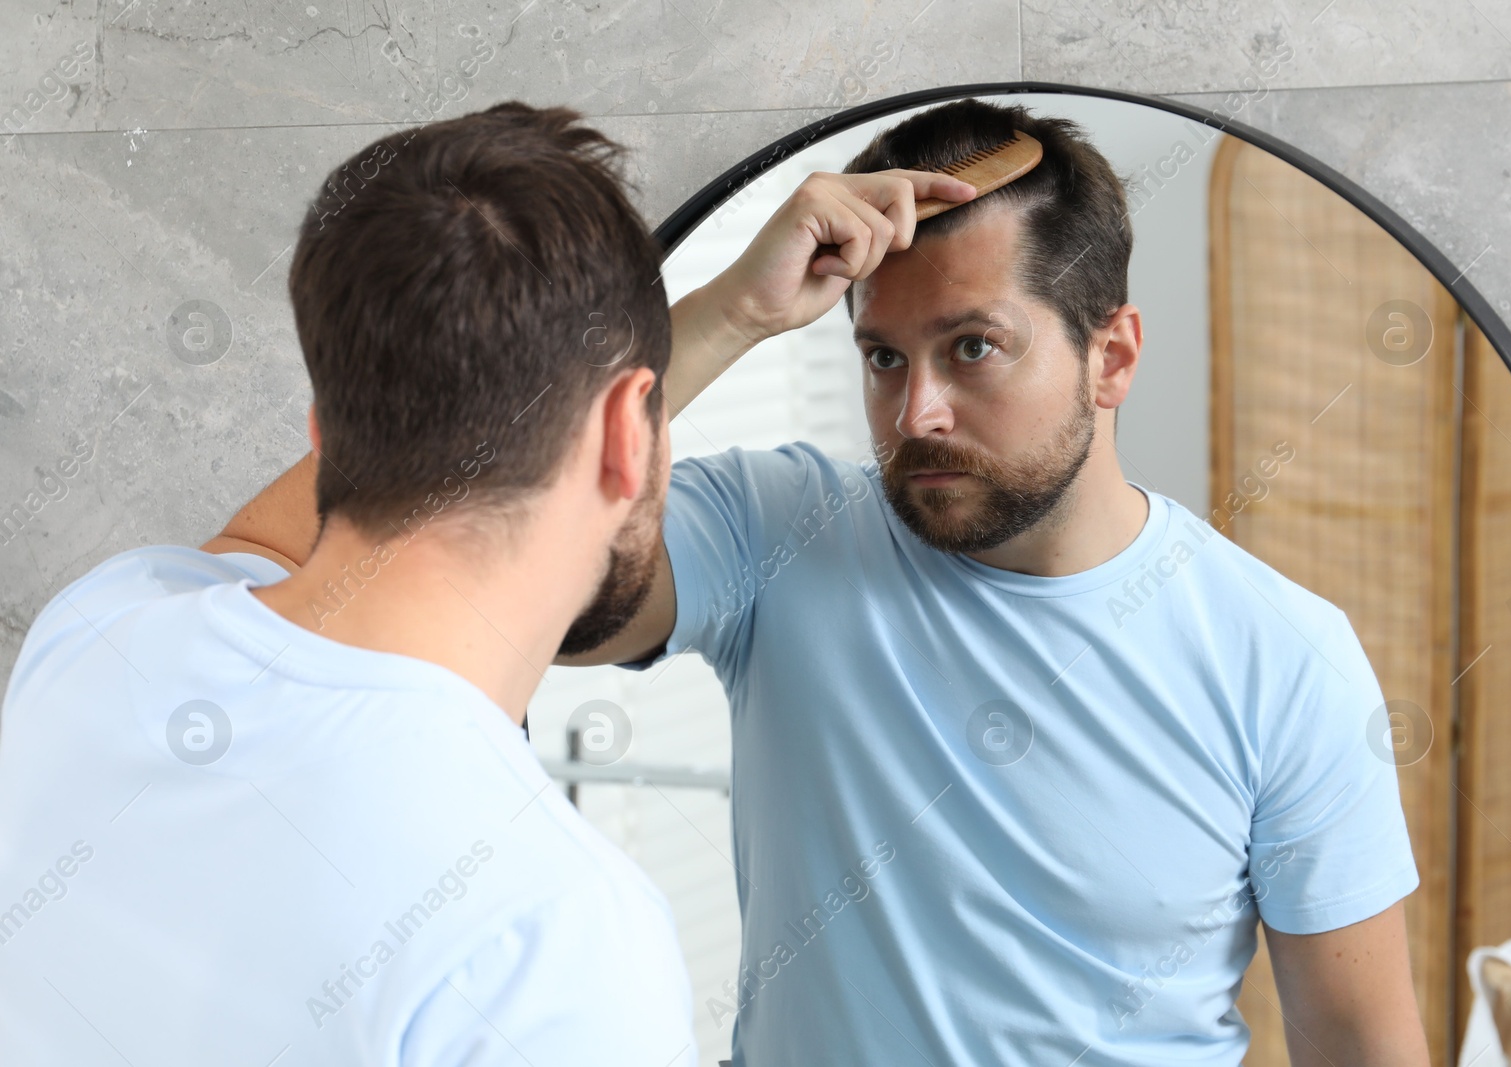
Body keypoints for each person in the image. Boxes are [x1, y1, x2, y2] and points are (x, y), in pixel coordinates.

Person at [204, 97, 1430, 1065]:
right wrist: (736, 309)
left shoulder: (1283, 656)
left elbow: (1365, 1049)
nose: (917, 409)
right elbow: (464, 548)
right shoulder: (780, 526)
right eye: (882, 356)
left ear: (1110, 355)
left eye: (973, 348)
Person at [0, 101, 955, 1066]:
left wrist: (724, 314)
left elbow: (279, 529)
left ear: (324, 436)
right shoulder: (551, 935)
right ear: (634, 428)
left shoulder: (104, 630)